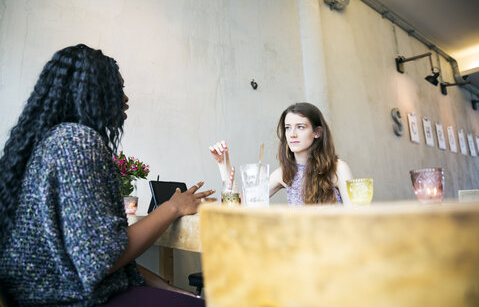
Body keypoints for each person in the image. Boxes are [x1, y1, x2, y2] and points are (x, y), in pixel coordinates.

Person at [0, 44, 214, 306]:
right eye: (117, 88)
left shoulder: (54, 141)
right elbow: (102, 259)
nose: (125, 98)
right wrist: (173, 207)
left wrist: (165, 286)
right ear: (92, 92)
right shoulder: (76, 142)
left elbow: (96, 256)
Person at [209, 102, 353, 205]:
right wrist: (223, 163)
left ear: (317, 132)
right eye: (288, 128)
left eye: (300, 127)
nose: (292, 134)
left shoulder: (338, 168)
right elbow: (243, 203)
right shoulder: (284, 173)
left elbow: (358, 217)